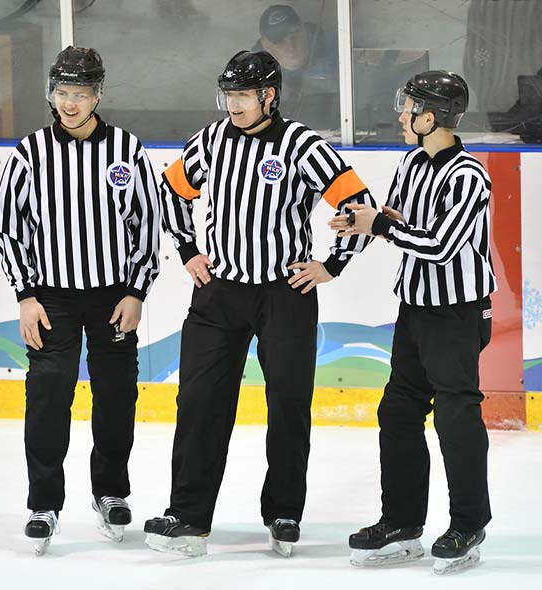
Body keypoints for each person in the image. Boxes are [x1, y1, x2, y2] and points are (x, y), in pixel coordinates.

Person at [143, 49, 377, 558]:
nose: (233, 104)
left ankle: (284, 512)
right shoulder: (210, 140)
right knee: (200, 403)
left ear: (269, 95)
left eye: (243, 95)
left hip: (284, 295)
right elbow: (170, 190)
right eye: (228, 94)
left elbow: (360, 205)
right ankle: (187, 516)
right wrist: (187, 250)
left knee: (289, 404)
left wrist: (331, 265)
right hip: (218, 294)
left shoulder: (302, 145)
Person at [0, 46, 161, 556]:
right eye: (62, 92)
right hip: (51, 299)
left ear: (98, 95)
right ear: (52, 93)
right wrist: (25, 295)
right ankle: (44, 503)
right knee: (48, 395)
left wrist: (136, 290)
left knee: (115, 395)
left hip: (112, 297)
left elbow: (147, 226)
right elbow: (7, 228)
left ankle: (110, 492)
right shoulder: (30, 152)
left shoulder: (128, 151)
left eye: (80, 93)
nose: (69, 103)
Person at [329, 71, 495, 575]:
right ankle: (402, 521)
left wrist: (379, 225)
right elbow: (391, 220)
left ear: (433, 117)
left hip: (458, 314)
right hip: (416, 309)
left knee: (454, 414)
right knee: (399, 412)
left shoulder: (469, 176)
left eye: (409, 108)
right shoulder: (411, 162)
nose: (401, 115)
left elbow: (440, 245)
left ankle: (469, 522)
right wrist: (350, 240)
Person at [252, 4, 339, 130]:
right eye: (280, 40)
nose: (291, 45)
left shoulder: (339, 50)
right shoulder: (254, 76)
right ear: (266, 45)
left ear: (305, 32)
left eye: (295, 35)